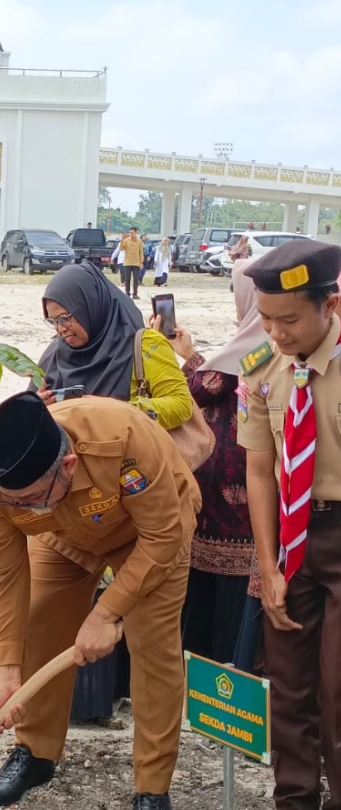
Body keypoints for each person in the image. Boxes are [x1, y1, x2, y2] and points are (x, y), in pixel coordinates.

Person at [0, 392, 200, 810]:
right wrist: (6, 670)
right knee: (41, 621)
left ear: (68, 466)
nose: (19, 507)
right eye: (13, 500)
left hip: (148, 537)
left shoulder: (123, 442)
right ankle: (35, 755)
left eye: (30, 499)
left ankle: (152, 787)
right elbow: (7, 573)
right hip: (63, 534)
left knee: (152, 648)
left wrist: (106, 612)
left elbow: (162, 537)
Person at [237, 240, 341, 810]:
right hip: (291, 537)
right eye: (267, 320)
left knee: (338, 690)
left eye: (290, 320)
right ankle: (295, 799)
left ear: (332, 307)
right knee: (291, 687)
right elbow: (260, 471)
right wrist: (269, 565)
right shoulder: (263, 370)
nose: (275, 333)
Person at [157, 260, 262, 667]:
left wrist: (179, 356)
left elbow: (197, 390)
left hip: (225, 489)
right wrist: (194, 354)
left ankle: (208, 671)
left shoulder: (247, 347)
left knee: (212, 593)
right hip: (241, 489)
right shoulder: (261, 342)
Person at [38, 263, 193, 430]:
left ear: (91, 306)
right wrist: (38, 407)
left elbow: (181, 405)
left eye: (64, 318)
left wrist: (116, 410)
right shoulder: (55, 353)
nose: (60, 329)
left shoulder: (145, 345)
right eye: (52, 321)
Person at [119, 227, 143, 299]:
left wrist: (141, 262)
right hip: (127, 262)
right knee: (127, 278)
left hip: (136, 262)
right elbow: (121, 249)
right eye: (130, 233)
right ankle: (127, 293)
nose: (131, 234)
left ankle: (135, 293)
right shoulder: (126, 240)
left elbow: (141, 252)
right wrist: (122, 240)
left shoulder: (139, 241)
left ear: (136, 233)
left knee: (136, 279)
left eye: (132, 233)